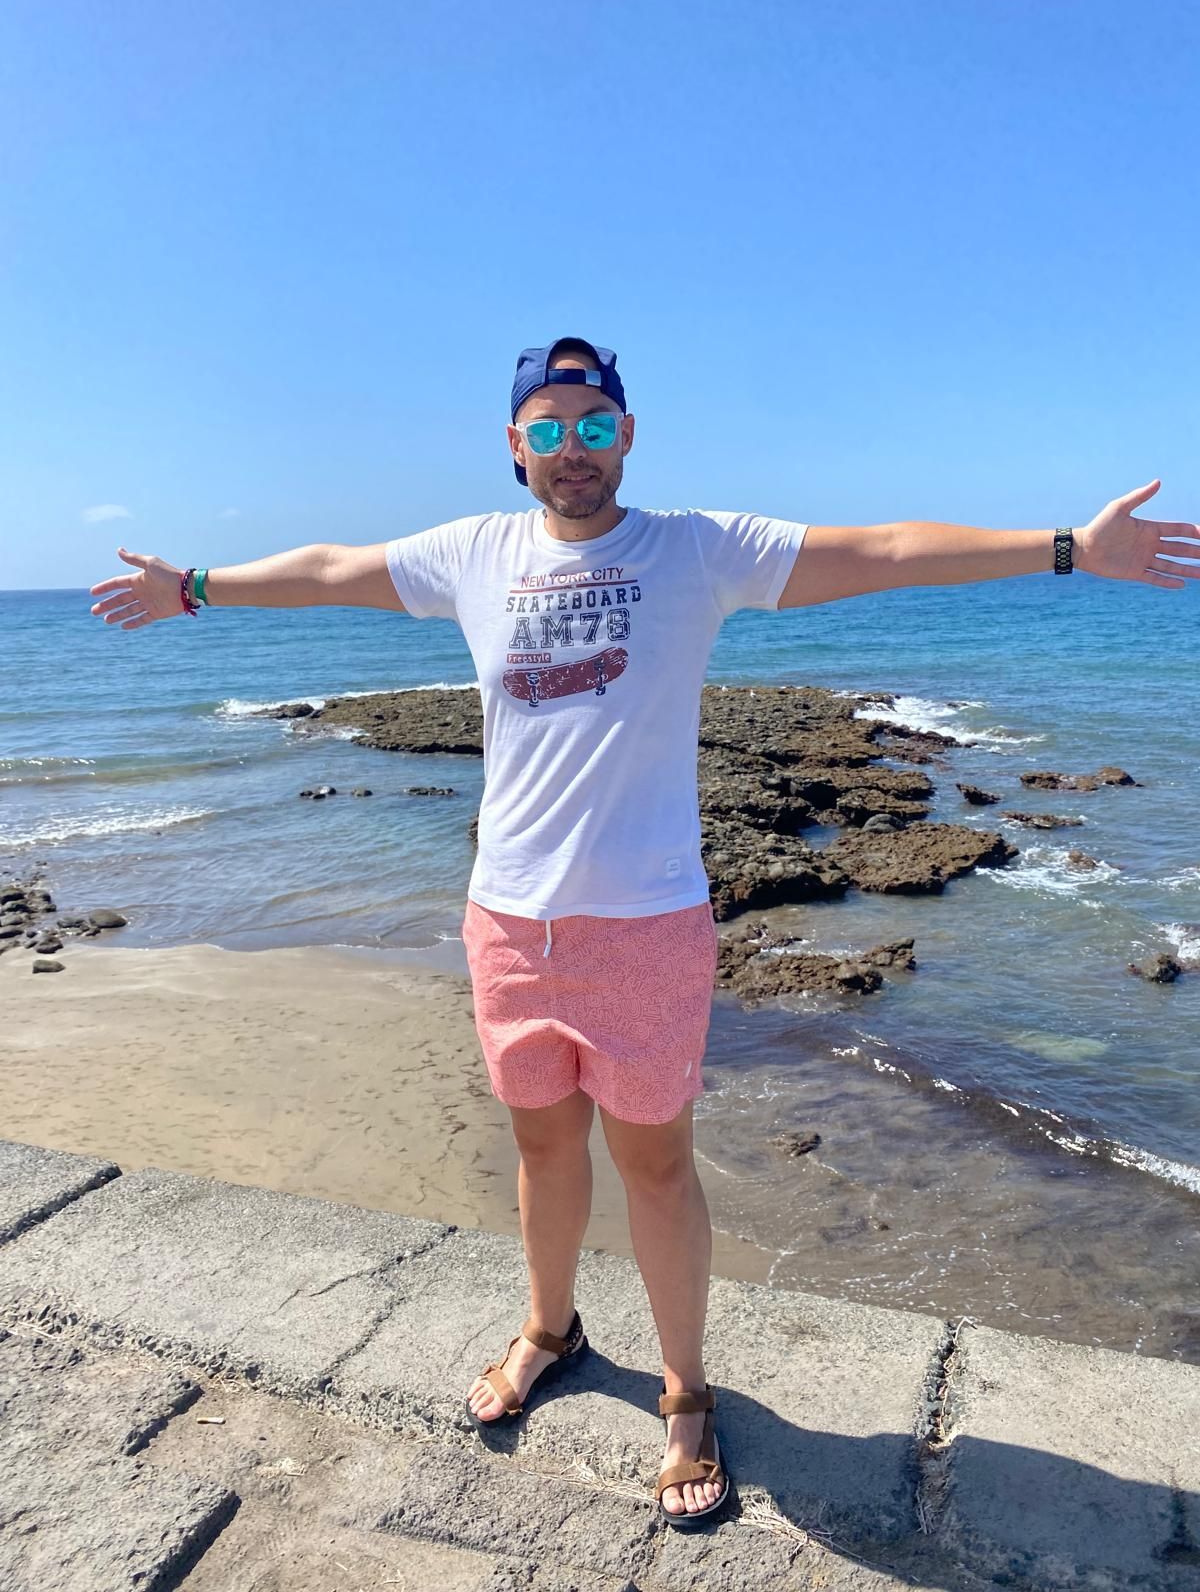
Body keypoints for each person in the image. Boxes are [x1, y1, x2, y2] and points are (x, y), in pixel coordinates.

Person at [89, 335, 1196, 1528]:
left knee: (656, 1166)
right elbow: (328, 568)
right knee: (542, 1149)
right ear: (515, 446)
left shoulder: (696, 550)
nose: (572, 449)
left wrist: (1068, 548)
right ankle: (550, 1329)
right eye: (549, 428)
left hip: (649, 924)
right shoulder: (473, 553)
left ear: (627, 435)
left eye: (593, 425)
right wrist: (194, 587)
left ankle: (685, 1391)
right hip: (509, 922)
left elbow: (879, 549)